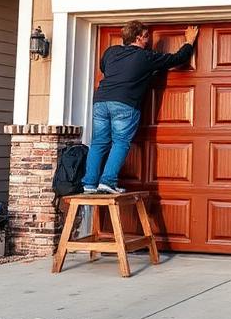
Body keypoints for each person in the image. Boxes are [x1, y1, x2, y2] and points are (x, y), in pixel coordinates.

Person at [83, 21, 199, 194]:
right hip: (124, 103)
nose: (148, 40)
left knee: (99, 142)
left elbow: (104, 68)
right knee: (120, 142)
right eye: (146, 37)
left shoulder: (110, 52)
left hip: (101, 101)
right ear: (138, 38)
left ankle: (89, 184)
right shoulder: (146, 57)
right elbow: (177, 59)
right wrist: (189, 42)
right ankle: (107, 181)